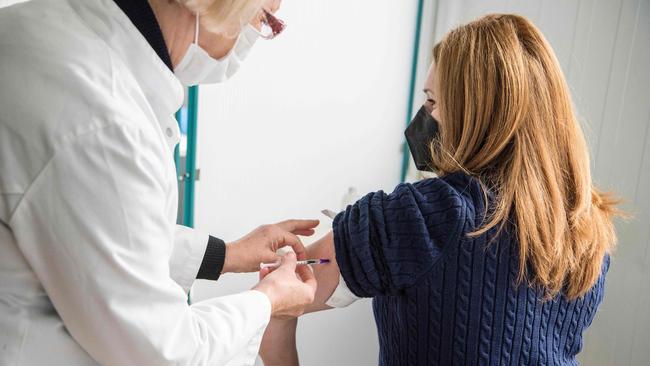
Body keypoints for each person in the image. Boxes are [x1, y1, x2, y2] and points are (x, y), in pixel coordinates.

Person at [259, 14, 620, 366]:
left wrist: (276, 315)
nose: (424, 115)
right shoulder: (587, 229)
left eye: (432, 101)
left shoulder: (426, 215)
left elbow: (277, 302)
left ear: (474, 113)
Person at [0, 0, 317, 365]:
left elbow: (93, 230)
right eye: (262, 20)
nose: (246, 41)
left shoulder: (39, 30)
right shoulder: (103, 121)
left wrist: (225, 255)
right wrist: (268, 300)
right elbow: (166, 353)